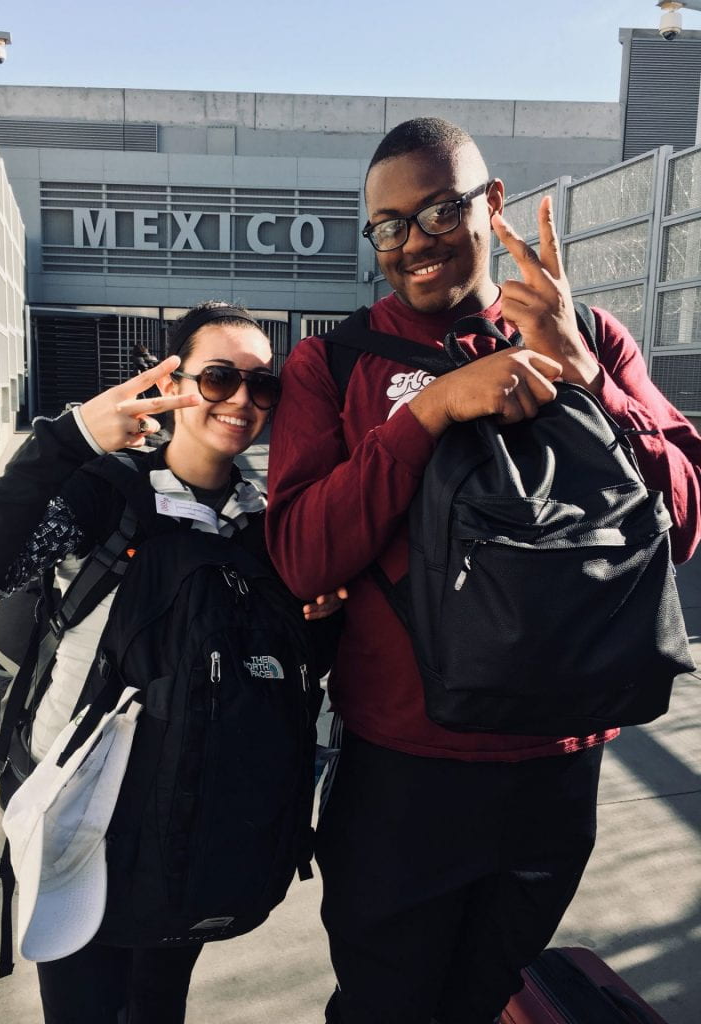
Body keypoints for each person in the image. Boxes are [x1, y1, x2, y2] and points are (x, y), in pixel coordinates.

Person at [265, 118, 701, 1024]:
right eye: (387, 226)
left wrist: (588, 376)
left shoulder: (590, 336)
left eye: (437, 211)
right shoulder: (332, 362)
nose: (412, 243)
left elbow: (686, 522)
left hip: (559, 766)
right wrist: (426, 416)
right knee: (387, 1003)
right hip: (404, 770)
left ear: (490, 203)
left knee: (482, 998)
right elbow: (303, 552)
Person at [0, 301, 342, 1024]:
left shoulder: (266, 526)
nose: (243, 399)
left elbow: (286, 675)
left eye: (262, 384)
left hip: (187, 835)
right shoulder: (104, 494)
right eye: (219, 378)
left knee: (157, 1011)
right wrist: (68, 440)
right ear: (177, 382)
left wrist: (325, 622)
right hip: (79, 838)